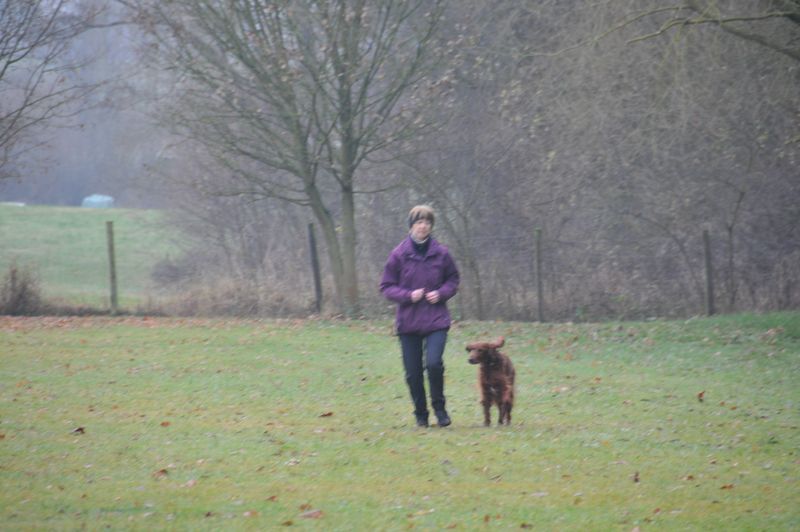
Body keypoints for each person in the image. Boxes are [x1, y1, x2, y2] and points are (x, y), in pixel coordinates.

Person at [380, 205, 460, 427]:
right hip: (409, 322)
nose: (423, 226)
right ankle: (421, 415)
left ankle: (440, 410)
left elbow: (453, 280)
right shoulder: (398, 254)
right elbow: (386, 286)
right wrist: (408, 296)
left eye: (427, 222)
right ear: (411, 226)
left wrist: (441, 293)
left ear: (431, 226)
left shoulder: (442, 253)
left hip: (436, 320)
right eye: (418, 222)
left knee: (434, 364)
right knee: (413, 373)